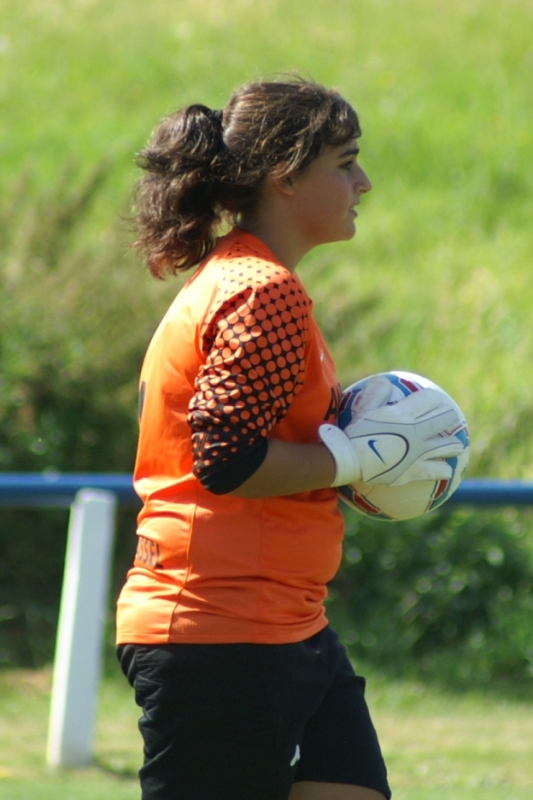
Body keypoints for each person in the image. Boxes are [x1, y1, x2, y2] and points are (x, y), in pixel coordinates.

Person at [116, 76, 463, 800]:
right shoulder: (261, 289)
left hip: (284, 622)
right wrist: (361, 457)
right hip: (222, 629)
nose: (363, 182)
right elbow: (226, 461)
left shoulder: (244, 277)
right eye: (345, 162)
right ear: (283, 175)